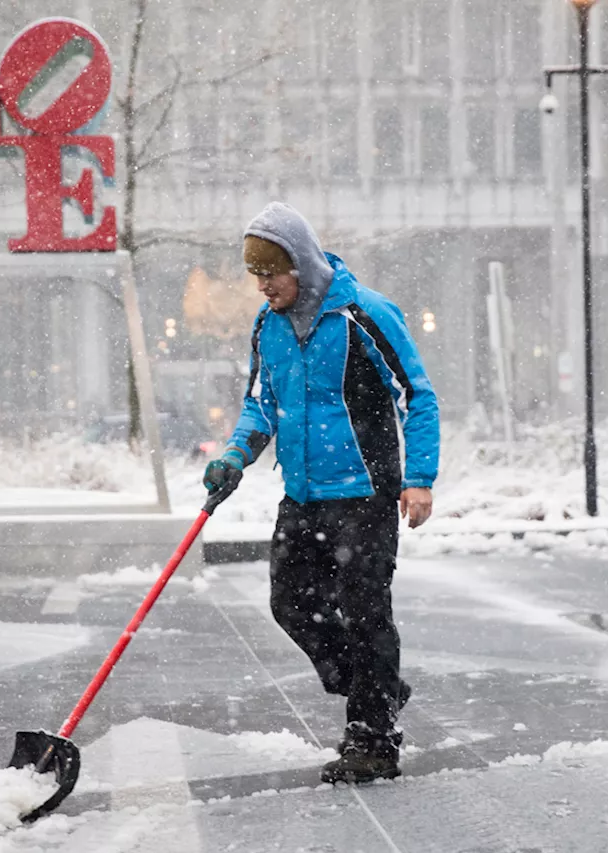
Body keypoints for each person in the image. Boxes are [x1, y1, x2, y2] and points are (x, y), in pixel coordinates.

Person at [203, 202, 439, 784]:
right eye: (254, 277)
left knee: (365, 614)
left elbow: (418, 396)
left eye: (270, 275)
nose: (262, 288)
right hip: (304, 493)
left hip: (365, 493)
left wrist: (418, 479)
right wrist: (235, 454)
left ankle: (374, 739)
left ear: (301, 266)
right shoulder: (268, 326)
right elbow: (262, 402)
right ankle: (374, 685)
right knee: (291, 605)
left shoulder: (365, 314)